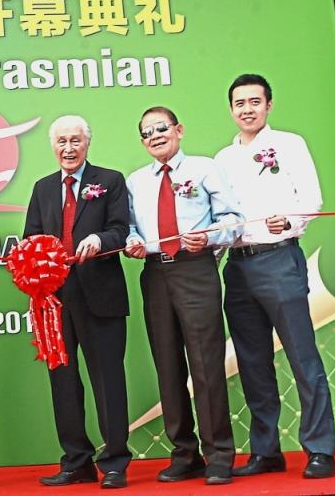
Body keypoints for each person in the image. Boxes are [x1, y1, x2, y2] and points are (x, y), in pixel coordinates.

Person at [214, 74, 335, 479]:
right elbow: (220, 218)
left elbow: (313, 198)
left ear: (269, 105)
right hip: (237, 266)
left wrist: (290, 222)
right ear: (231, 109)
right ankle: (266, 450)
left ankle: (319, 448)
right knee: (252, 362)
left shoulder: (289, 145)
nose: (246, 109)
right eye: (239, 103)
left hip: (279, 259)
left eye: (254, 101)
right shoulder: (222, 159)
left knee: (303, 356)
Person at [124, 106, 242, 485]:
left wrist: (209, 236)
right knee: (168, 365)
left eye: (162, 127)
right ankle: (184, 453)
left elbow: (233, 220)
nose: (155, 135)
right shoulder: (135, 181)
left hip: (196, 268)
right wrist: (132, 242)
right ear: (142, 141)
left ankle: (220, 453)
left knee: (206, 364)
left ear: (179, 129)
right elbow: (128, 227)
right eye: (147, 132)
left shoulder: (204, 168)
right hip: (155, 273)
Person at [23, 115, 131, 489]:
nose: (68, 148)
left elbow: (121, 229)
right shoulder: (42, 188)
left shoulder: (110, 180)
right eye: (61, 142)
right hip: (54, 300)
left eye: (75, 141)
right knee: (63, 381)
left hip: (101, 295)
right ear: (53, 147)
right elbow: (30, 239)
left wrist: (100, 240)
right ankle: (76, 461)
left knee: (108, 380)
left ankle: (115, 461)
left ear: (87, 143)